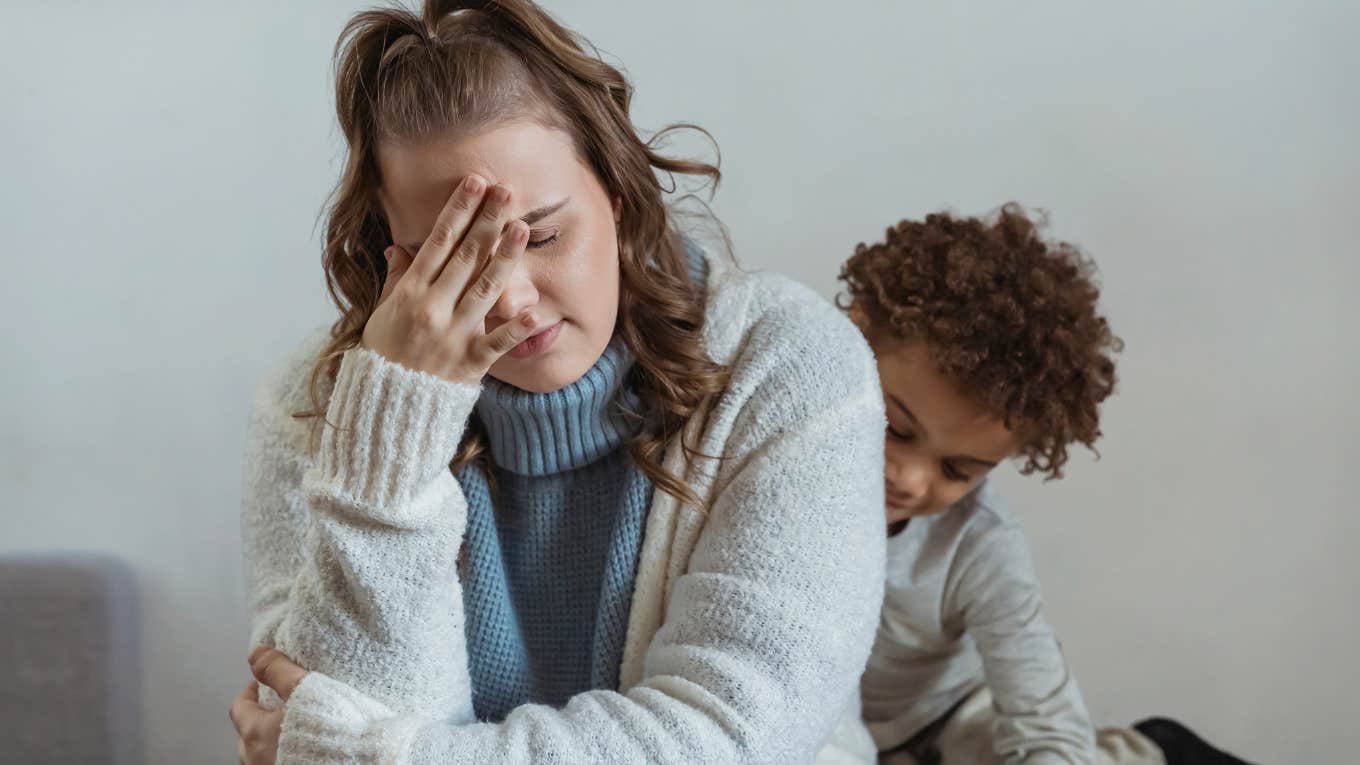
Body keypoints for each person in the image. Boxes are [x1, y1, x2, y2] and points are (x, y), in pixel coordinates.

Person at [227, 1, 886, 762]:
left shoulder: (789, 366)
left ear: (617, 184)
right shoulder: (312, 408)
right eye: (450, 259)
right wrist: (394, 428)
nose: (510, 298)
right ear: (391, 252)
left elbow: (729, 737)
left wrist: (387, 758)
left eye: (539, 235)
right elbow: (337, 697)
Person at [839, 205, 1255, 765]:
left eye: (958, 470)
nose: (911, 479)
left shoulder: (980, 544)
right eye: (896, 429)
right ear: (854, 331)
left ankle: (1154, 751)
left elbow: (1041, 714)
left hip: (952, 714)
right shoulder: (768, 462)